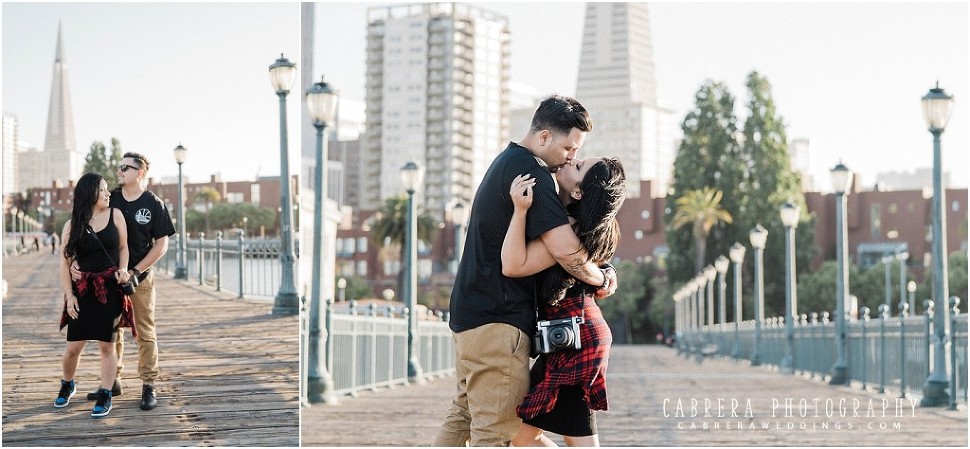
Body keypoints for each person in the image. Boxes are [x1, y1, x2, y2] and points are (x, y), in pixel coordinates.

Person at [434, 95, 618, 447]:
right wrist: (602, 278)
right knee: (496, 431)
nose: (571, 156)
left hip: (470, 314)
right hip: (497, 320)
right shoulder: (532, 173)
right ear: (544, 137)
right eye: (568, 147)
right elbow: (565, 249)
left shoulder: (507, 161)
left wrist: (603, 269)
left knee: (464, 416)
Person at [503, 157, 626, 447]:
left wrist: (520, 212)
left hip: (574, 339)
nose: (572, 159)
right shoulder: (581, 225)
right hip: (572, 334)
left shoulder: (566, 227)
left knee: (528, 437)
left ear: (580, 192)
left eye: (580, 166)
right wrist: (606, 273)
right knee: (524, 436)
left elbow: (513, 265)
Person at [73, 152, 175, 410]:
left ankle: (149, 385)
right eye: (118, 167)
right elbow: (87, 226)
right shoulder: (111, 198)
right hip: (108, 279)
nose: (118, 171)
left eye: (124, 168)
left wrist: (136, 270)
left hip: (140, 279)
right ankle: (113, 381)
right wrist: (74, 259)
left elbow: (162, 244)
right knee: (111, 332)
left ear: (139, 172)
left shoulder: (154, 204)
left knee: (144, 332)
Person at [56, 172, 135, 418]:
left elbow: (123, 247)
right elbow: (64, 261)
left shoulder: (116, 215)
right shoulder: (72, 225)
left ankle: (105, 392)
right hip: (82, 292)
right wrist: (69, 296)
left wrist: (123, 270)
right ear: (90, 194)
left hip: (109, 289)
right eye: (102, 190)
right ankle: (68, 383)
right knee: (73, 348)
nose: (108, 193)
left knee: (106, 346)